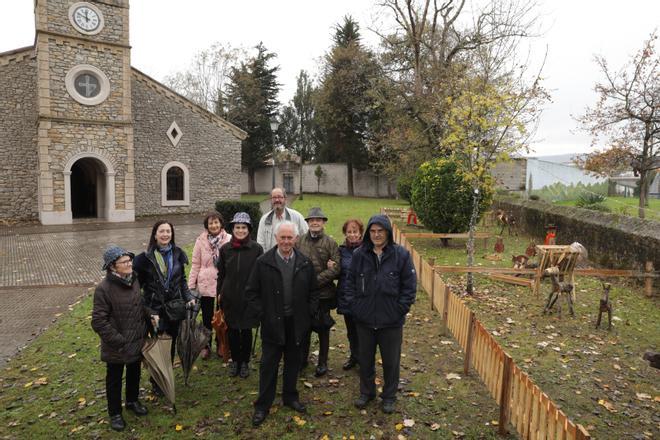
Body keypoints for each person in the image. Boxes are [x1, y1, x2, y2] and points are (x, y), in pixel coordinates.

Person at [245, 221, 318, 427]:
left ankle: (290, 397)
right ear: (276, 239)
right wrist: (263, 315)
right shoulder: (263, 262)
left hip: (296, 324)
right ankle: (263, 405)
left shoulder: (304, 262)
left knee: (293, 362)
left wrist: (307, 313)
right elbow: (251, 293)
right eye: (282, 238)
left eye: (290, 238)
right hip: (272, 324)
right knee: (268, 365)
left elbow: (314, 292)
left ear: (296, 239)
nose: (286, 242)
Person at [344, 214, 416, 414]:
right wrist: (356, 308)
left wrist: (399, 310)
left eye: (380, 231)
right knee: (365, 359)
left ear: (387, 233)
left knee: (391, 362)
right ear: (368, 233)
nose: (376, 235)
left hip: (391, 322)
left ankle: (389, 396)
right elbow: (349, 283)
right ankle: (367, 393)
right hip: (364, 320)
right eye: (373, 231)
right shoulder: (360, 255)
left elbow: (409, 287)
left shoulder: (400, 255)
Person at [134, 220, 196, 396]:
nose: (165, 234)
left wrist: (188, 297)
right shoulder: (144, 260)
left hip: (174, 309)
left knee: (171, 344)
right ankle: (157, 381)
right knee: (158, 346)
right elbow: (137, 287)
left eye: (168, 231)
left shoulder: (177, 254)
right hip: (155, 310)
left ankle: (166, 375)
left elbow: (182, 280)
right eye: (162, 231)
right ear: (155, 234)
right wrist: (146, 309)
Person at [91, 245, 149, 432]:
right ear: (112, 267)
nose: (129, 263)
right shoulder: (104, 289)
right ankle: (115, 413)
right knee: (114, 379)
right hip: (117, 344)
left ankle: (132, 401)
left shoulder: (134, 280)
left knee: (134, 372)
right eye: (124, 262)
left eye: (129, 260)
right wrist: (119, 341)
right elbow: (98, 321)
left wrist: (149, 316)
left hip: (136, 338)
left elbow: (138, 305)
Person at [216, 212, 263, 378]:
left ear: (249, 229)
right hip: (230, 297)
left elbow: (260, 275)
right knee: (233, 331)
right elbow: (221, 274)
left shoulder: (256, 249)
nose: (240, 230)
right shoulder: (225, 249)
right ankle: (235, 361)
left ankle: (245, 361)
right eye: (237, 227)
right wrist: (219, 293)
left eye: (244, 227)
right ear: (232, 229)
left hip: (249, 297)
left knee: (246, 330)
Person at [297, 207, 340, 377]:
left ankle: (323, 362)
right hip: (303, 295)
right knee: (304, 328)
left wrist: (314, 282)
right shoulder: (298, 241)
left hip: (323, 294)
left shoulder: (331, 243)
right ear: (307, 223)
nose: (315, 222)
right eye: (311, 220)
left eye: (318, 220)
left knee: (323, 329)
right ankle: (302, 359)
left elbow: (336, 268)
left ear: (323, 223)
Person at [189, 212, 232, 360]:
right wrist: (191, 285)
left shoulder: (229, 240)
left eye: (216, 222)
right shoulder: (200, 241)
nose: (214, 226)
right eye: (210, 223)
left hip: (223, 283)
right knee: (207, 317)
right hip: (205, 283)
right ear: (207, 226)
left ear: (221, 223)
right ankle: (205, 345)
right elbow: (195, 264)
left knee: (221, 316)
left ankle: (221, 343)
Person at [336, 218, 364, 371]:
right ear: (345, 234)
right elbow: (337, 271)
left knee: (362, 332)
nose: (352, 235)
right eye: (349, 232)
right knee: (351, 331)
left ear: (360, 234)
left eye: (355, 232)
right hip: (346, 296)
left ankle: (363, 359)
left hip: (362, 299)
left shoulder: (367, 250)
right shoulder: (341, 251)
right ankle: (354, 356)